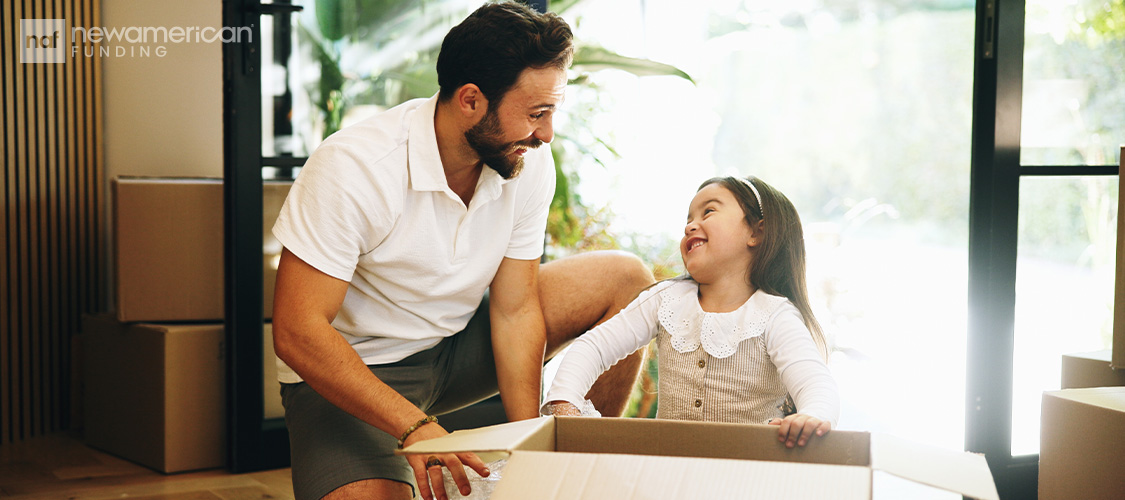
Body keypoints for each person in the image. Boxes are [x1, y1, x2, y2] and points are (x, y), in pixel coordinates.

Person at [270, 3, 652, 500]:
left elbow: (515, 310)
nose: (547, 133)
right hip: (354, 371)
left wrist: (530, 449)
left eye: (552, 111)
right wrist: (415, 428)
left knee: (626, 278)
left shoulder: (524, 160)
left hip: (454, 349)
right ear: (471, 99)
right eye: (536, 113)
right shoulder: (354, 166)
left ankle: (585, 466)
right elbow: (298, 333)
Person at [544, 176, 840, 448]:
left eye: (708, 212)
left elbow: (815, 382)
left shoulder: (774, 315)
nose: (690, 226)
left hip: (744, 475)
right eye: (688, 218)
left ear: (756, 231)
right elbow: (593, 347)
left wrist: (811, 416)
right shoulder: (666, 299)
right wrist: (564, 399)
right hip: (668, 469)